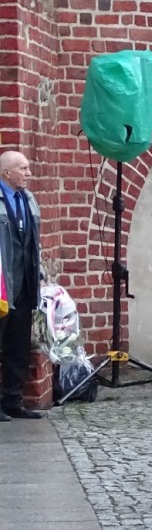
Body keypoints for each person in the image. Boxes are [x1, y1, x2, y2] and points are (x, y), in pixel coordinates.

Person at [0, 150, 43, 419]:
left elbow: (33, 241)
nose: (28, 173)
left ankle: (13, 401)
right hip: (2, 285)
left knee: (18, 347)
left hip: (24, 283)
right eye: (23, 168)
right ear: (7, 173)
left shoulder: (28, 199)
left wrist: (40, 272)